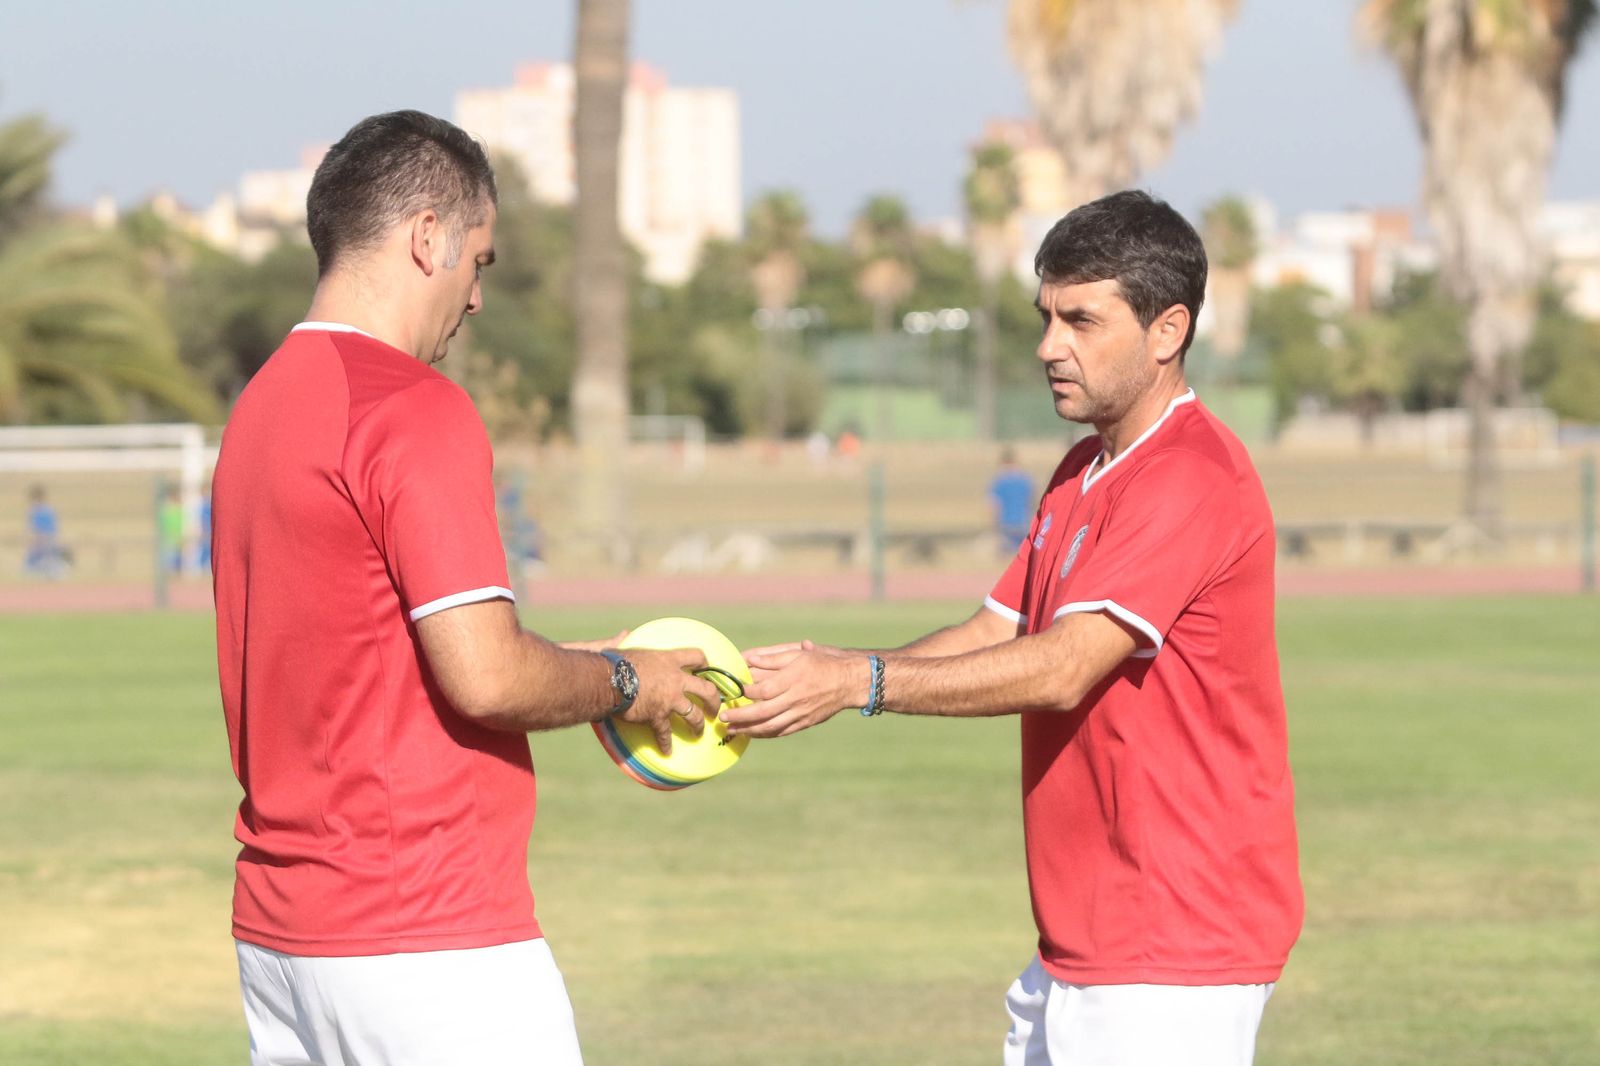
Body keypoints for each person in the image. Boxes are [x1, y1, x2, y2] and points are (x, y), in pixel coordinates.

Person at [723, 190, 1302, 1066]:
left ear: (1167, 330)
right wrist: (821, 677)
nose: (1048, 347)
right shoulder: (1083, 468)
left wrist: (859, 683)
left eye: (1080, 320)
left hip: (1172, 948)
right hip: (1083, 941)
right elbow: (998, 631)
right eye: (1045, 317)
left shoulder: (1189, 475)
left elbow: (1064, 667)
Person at [210, 110, 720, 1066]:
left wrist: (579, 662)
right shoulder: (412, 406)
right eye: (479, 260)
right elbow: (484, 678)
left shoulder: (261, 406)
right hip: (424, 933)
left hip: (284, 936)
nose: (477, 296)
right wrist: (627, 682)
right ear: (428, 237)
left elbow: (374, 651)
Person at [987, 447, 1035, 553]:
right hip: (1024, 523)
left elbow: (994, 505)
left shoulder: (998, 482)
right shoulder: (1026, 480)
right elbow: (1031, 502)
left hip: (1006, 525)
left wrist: (994, 525)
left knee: (1006, 557)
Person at [24, 484, 69, 578]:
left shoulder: (46, 511)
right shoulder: (33, 511)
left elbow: (52, 530)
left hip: (48, 541)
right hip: (39, 543)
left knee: (49, 561)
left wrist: (42, 539)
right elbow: (32, 530)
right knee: (29, 565)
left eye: (36, 499)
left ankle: (55, 569)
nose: (34, 501)